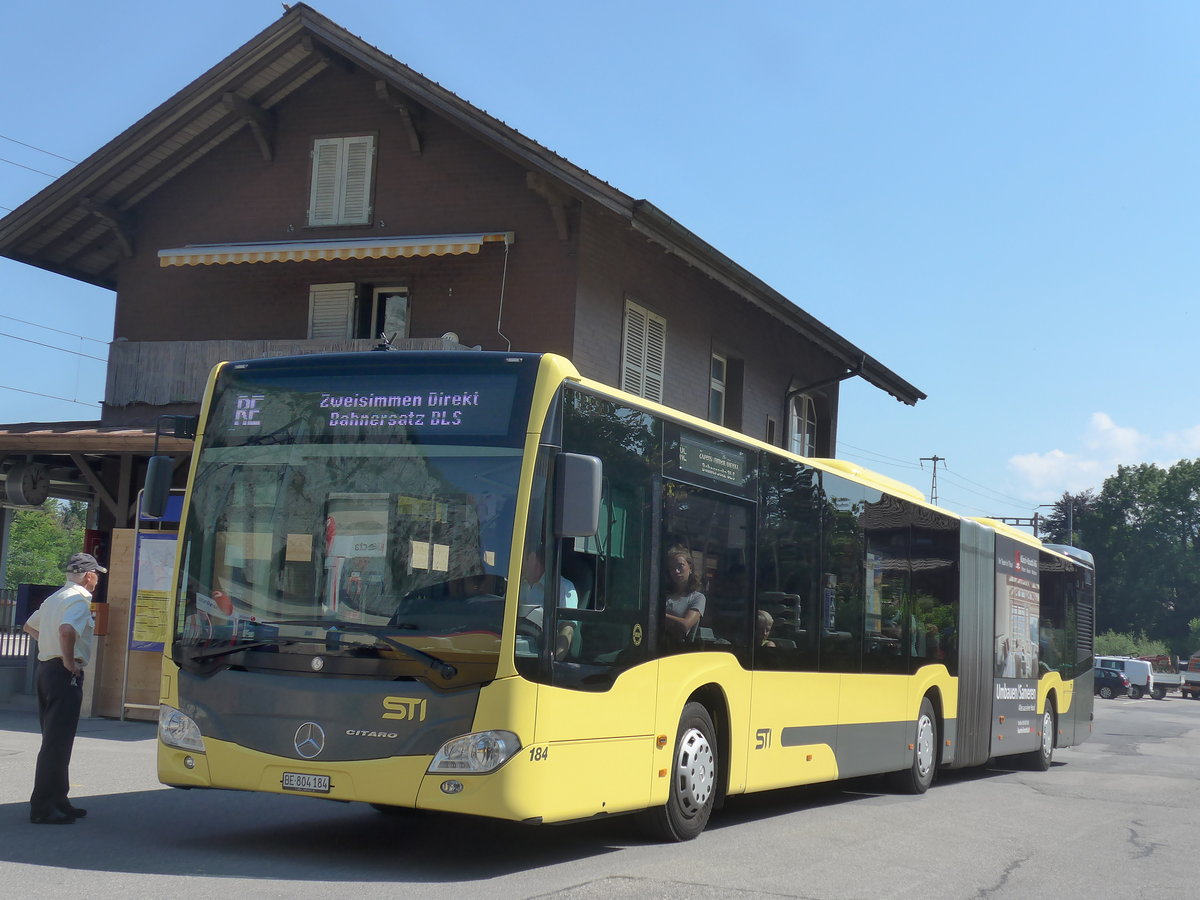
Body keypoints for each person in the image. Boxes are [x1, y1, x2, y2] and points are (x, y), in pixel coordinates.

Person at [22, 552, 106, 824]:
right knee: (57, 743)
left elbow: (29, 626)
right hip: (62, 672)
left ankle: (58, 799)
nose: (96, 582)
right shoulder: (78, 599)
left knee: (55, 739)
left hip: (46, 670)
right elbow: (67, 631)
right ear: (89, 576)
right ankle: (44, 807)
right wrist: (69, 661)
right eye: (96, 576)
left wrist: (52, 648)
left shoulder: (55, 598)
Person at [519, 547, 578, 659]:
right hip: (515, 650)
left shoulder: (563, 587)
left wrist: (554, 659)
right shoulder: (517, 586)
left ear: (532, 557)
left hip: (542, 658)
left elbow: (567, 630)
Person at [663, 548, 705, 642]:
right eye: (672, 568)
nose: (676, 571)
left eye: (680, 566)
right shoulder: (662, 594)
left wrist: (659, 615)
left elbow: (686, 625)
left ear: (690, 568)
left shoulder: (697, 597)